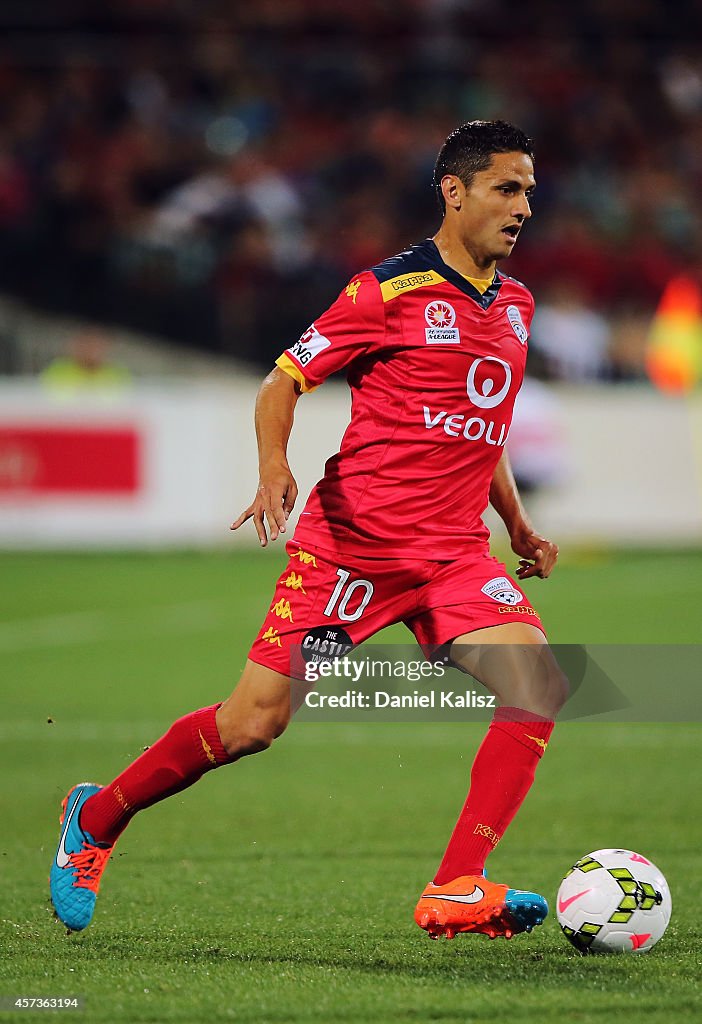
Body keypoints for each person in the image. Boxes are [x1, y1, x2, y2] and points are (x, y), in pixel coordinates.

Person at [50, 120, 568, 941]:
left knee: (539, 686)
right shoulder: (386, 292)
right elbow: (281, 384)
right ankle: (98, 817)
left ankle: (457, 884)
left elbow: (484, 426)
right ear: (455, 192)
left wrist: (518, 523)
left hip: (451, 560)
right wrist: (272, 468)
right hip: (349, 558)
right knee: (253, 723)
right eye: (508, 188)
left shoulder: (516, 305)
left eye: (530, 191)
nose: (524, 207)